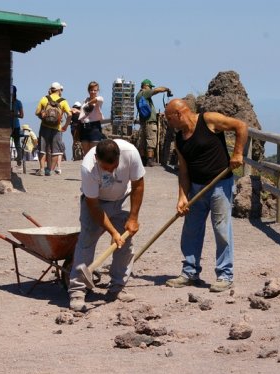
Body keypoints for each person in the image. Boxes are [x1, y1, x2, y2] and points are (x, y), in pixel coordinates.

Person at [163, 99, 248, 292]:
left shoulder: (208, 120)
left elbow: (241, 126)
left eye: (169, 119)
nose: (169, 123)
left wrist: (238, 153)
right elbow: (183, 171)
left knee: (221, 230)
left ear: (178, 114)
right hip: (196, 188)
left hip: (220, 185)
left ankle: (225, 275)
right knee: (191, 230)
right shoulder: (180, 139)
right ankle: (190, 272)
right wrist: (182, 196)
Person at [67, 138, 146, 312]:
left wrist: (133, 218)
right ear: (97, 159)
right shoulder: (88, 167)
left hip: (122, 199)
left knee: (125, 247)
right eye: (106, 168)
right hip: (95, 203)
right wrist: (113, 232)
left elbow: (138, 185)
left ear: (119, 156)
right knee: (86, 243)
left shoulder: (131, 153)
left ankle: (117, 287)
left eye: (114, 166)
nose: (110, 171)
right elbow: (94, 206)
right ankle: (78, 291)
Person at [34, 82, 71, 176]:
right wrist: (66, 125)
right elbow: (70, 114)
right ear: (59, 90)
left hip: (45, 126)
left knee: (42, 148)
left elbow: (37, 112)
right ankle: (50, 170)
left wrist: (42, 117)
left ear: (51, 89)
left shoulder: (44, 99)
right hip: (57, 128)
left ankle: (42, 169)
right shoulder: (63, 101)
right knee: (56, 150)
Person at [135, 79, 172, 167]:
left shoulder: (138, 95)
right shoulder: (145, 93)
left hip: (143, 122)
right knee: (151, 141)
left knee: (143, 142)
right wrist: (167, 89)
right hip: (150, 122)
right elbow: (157, 90)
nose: (150, 89)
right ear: (146, 86)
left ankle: (143, 161)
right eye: (150, 87)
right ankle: (150, 161)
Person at [79, 81, 104, 156]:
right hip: (84, 127)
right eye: (91, 90)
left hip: (94, 127)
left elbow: (98, 99)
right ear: (88, 90)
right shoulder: (85, 100)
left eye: (95, 90)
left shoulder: (99, 99)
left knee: (94, 152)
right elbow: (83, 113)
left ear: (98, 91)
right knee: (86, 154)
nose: (93, 92)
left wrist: (88, 104)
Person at [10, 85, 24, 166]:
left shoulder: (18, 103)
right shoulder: (9, 102)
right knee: (16, 144)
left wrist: (14, 114)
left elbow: (22, 115)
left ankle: (19, 159)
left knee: (17, 143)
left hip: (15, 126)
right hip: (10, 126)